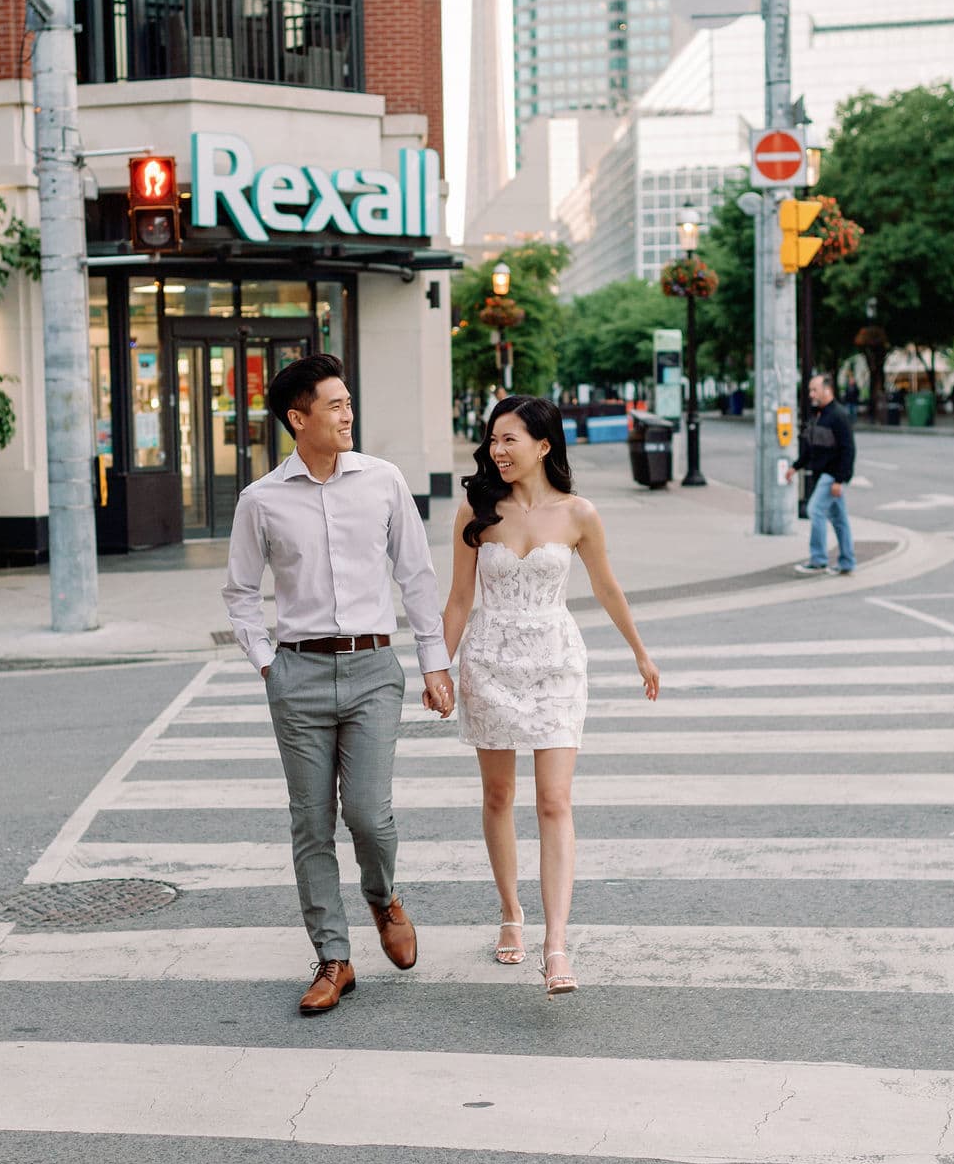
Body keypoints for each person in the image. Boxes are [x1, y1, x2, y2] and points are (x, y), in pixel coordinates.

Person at [222, 354, 456, 1014]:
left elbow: (416, 575)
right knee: (311, 824)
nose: (347, 414)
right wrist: (268, 662)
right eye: (333, 405)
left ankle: (383, 897)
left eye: (349, 402)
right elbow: (240, 592)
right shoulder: (261, 500)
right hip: (297, 672)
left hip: (374, 671)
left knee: (369, 817)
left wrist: (434, 662)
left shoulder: (383, 482)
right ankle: (333, 957)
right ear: (298, 419)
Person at [440, 395, 659, 996]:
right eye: (492, 439)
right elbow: (459, 599)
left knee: (555, 801)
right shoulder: (476, 510)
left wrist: (640, 650)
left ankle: (555, 944)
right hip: (489, 661)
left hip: (556, 662)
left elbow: (607, 586)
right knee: (499, 793)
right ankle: (511, 911)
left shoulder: (579, 513)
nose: (496, 449)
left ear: (543, 445)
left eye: (509, 439)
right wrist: (438, 666)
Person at [794, 374, 856, 575]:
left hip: (831, 475)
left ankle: (818, 559)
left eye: (815, 390)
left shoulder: (838, 416)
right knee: (839, 519)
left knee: (815, 510)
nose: (811, 394)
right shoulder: (819, 415)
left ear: (827, 390)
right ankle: (847, 562)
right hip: (825, 475)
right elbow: (811, 448)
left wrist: (839, 479)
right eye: (810, 390)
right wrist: (795, 467)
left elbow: (848, 449)